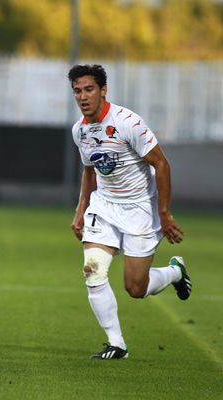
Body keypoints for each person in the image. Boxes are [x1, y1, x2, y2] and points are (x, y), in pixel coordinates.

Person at [68, 64, 192, 360]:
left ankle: (175, 272)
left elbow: (162, 164)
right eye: (77, 91)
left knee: (136, 288)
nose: (83, 96)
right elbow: (90, 170)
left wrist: (164, 212)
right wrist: (81, 209)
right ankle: (117, 344)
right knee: (93, 270)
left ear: (102, 90)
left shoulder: (127, 123)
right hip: (105, 205)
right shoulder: (80, 130)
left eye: (89, 89)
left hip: (139, 208)